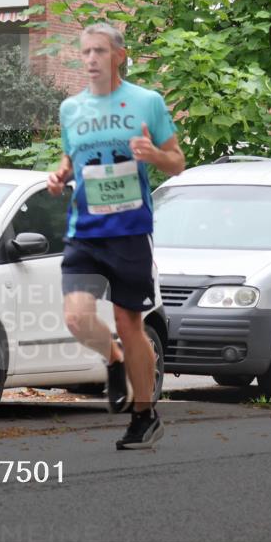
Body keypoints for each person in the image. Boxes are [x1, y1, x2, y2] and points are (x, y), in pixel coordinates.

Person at [47, 23, 185, 449]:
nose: (90, 59)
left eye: (99, 51)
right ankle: (114, 359)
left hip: (129, 230)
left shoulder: (148, 102)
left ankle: (144, 414)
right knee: (76, 318)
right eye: (85, 51)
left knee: (130, 322)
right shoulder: (71, 109)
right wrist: (60, 175)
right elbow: (72, 158)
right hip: (84, 230)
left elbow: (176, 162)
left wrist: (154, 155)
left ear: (119, 56)